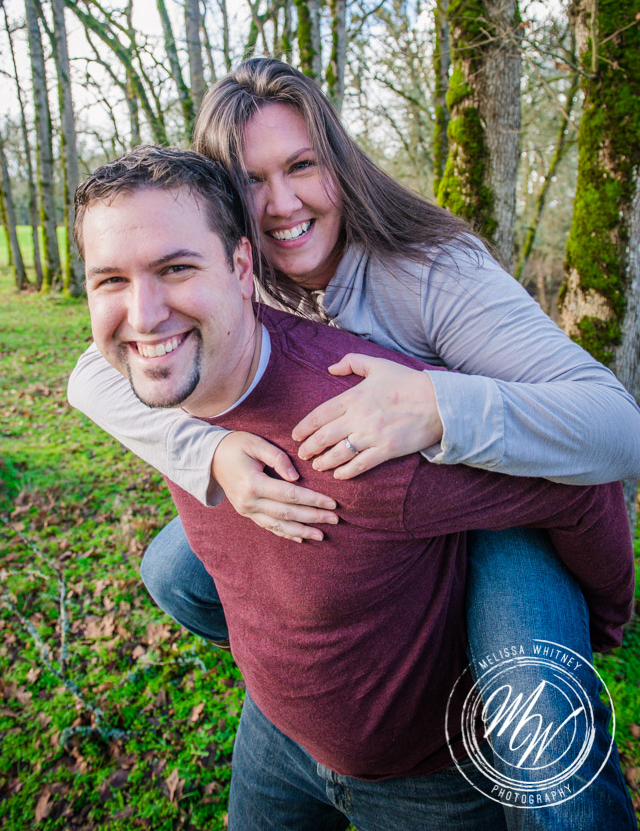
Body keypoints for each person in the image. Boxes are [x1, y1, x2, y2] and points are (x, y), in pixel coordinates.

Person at [68, 59, 640, 829]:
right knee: (174, 571)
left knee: (534, 728)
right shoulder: (233, 274)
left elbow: (617, 428)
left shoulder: (432, 270)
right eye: (250, 180)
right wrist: (211, 455)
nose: (280, 203)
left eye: (301, 166)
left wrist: (440, 406)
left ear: (338, 162)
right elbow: (94, 374)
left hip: (496, 497)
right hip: (359, 508)